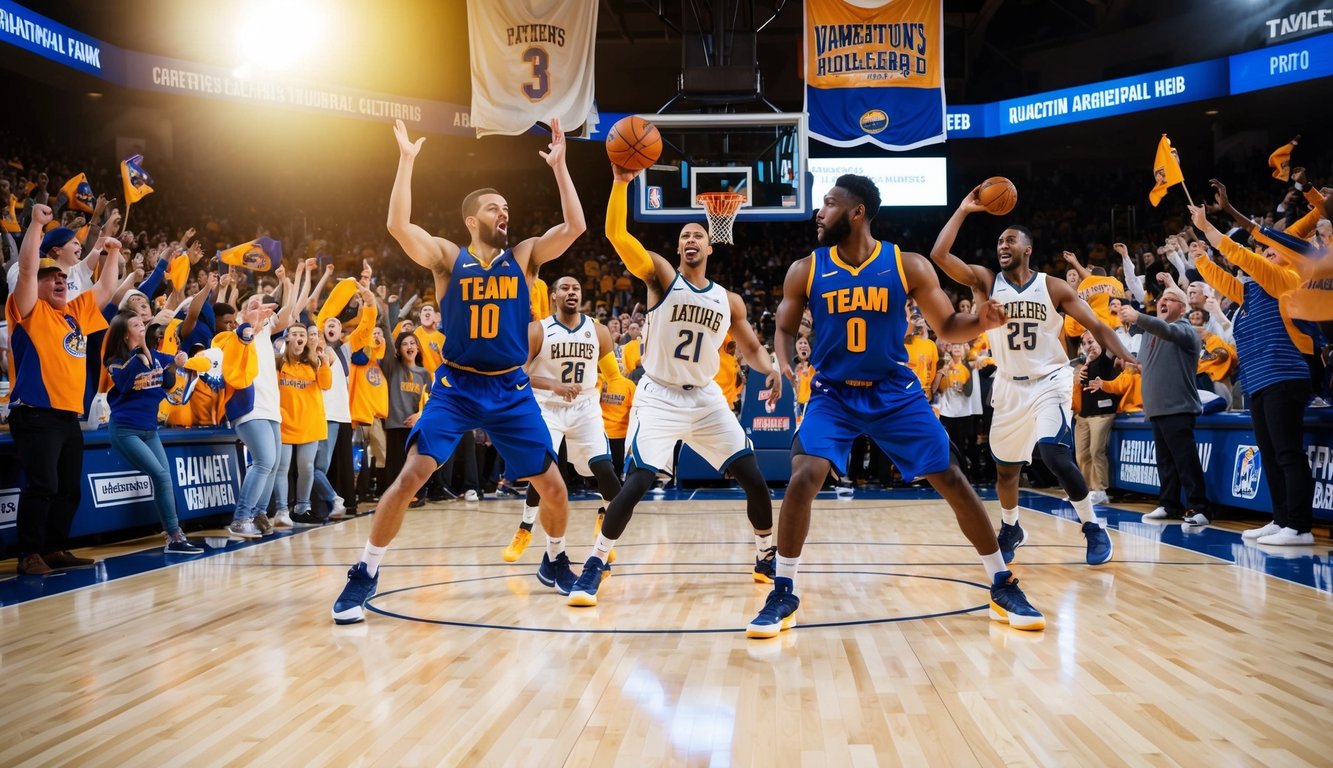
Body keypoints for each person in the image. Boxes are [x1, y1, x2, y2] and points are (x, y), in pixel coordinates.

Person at [746, 175, 1043, 639]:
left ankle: (1002, 582)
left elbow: (947, 325)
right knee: (804, 475)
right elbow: (784, 328)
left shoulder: (908, 266)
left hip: (894, 391)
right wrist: (781, 364)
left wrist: (980, 321)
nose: (818, 213)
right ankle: (783, 589)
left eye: (828, 204)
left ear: (857, 212)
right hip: (833, 393)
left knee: (951, 478)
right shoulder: (805, 269)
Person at [332, 118, 586, 624]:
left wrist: (560, 168)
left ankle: (554, 559)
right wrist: (406, 162)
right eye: (495, 208)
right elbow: (398, 227)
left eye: (507, 209)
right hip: (457, 385)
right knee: (410, 477)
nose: (504, 214)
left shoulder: (524, 257)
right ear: (472, 219)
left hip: (511, 388)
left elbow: (575, 227)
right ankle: (365, 571)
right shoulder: (449, 259)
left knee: (554, 489)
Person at [566, 162, 783, 608]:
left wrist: (772, 368)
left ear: (711, 244)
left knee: (755, 479)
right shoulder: (662, 276)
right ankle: (596, 562)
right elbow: (618, 237)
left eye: (697, 235)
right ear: (678, 246)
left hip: (705, 399)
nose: (689, 240)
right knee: (639, 480)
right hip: (660, 395)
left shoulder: (729, 300)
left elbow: (752, 349)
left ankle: (765, 554)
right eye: (684, 235)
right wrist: (621, 183)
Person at [929, 185, 1137, 566]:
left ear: (1027, 249)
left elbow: (1097, 324)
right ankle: (1011, 527)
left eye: (1010, 240)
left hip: (1050, 380)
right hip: (1008, 387)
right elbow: (939, 255)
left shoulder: (1052, 286)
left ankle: (1092, 526)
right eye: (998, 242)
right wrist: (963, 209)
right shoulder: (986, 282)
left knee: (1055, 454)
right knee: (1006, 473)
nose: (1002, 246)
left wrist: (1124, 354)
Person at [1189, 189, 1314, 544]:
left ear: (1286, 257)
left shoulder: (1285, 279)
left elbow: (1244, 260)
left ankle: (1300, 526)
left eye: (1272, 249)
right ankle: (1281, 519)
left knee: (1288, 452)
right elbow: (1226, 282)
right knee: (1271, 453)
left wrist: (1209, 229)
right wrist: (1200, 259)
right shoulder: (1256, 290)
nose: (1266, 253)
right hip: (1259, 379)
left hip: (1284, 375)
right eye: (1265, 249)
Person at [6, 203, 121, 574]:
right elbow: (26, 268)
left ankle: (55, 547)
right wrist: (38, 226)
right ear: (35, 284)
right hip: (36, 413)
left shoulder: (74, 314)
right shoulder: (28, 310)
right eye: (49, 277)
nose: (57, 281)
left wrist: (113, 252)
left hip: (68, 416)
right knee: (42, 486)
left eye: (60, 278)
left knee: (68, 488)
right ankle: (29, 554)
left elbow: (106, 286)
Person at [502, 276, 623, 563]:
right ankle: (525, 528)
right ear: (554, 295)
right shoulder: (537, 330)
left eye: (576, 287)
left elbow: (613, 375)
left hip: (585, 408)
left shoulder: (599, 331)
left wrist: (612, 391)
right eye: (565, 288)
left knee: (605, 470)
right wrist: (553, 385)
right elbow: (516, 375)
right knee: (542, 469)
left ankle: (605, 519)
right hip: (547, 406)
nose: (572, 292)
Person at [103, 310, 202, 553]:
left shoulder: (156, 356)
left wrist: (176, 363)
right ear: (125, 335)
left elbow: (167, 384)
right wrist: (141, 355)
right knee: (160, 475)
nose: (141, 326)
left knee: (164, 478)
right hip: (126, 431)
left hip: (149, 430)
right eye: (135, 324)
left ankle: (173, 534)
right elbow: (125, 383)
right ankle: (174, 535)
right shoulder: (116, 361)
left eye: (141, 323)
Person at [1118, 277, 1209, 525]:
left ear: (1182, 307)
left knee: (1185, 461)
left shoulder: (1186, 330)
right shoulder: (1149, 334)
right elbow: (1146, 361)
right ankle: (1169, 504)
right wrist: (1131, 362)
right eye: (1162, 299)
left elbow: (1166, 330)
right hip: (1156, 408)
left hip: (1178, 406)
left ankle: (1197, 507)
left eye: (1171, 299)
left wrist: (1138, 317)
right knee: (1166, 463)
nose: (1163, 302)